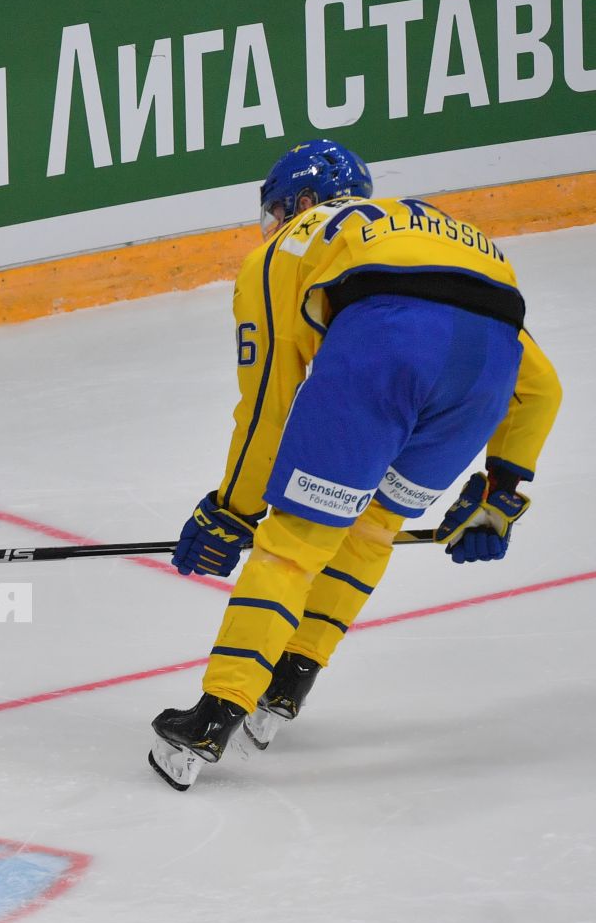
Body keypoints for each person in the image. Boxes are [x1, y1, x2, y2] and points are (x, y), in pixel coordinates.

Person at [150, 139, 562, 790]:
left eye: (274, 211)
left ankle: (211, 718)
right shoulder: (429, 230)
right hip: (480, 373)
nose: (269, 227)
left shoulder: (288, 245)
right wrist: (499, 494)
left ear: (303, 202)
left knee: (290, 546)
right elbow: (539, 389)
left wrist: (233, 509)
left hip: (389, 347)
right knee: (371, 527)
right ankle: (286, 683)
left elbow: (267, 403)